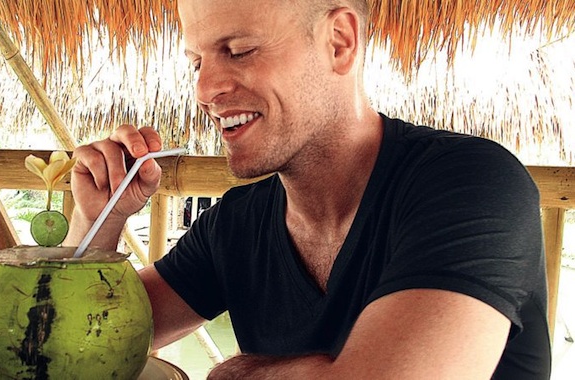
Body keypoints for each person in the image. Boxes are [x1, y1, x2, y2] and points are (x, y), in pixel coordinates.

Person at [65, 0, 551, 378]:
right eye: (196, 63)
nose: (204, 89)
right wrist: (98, 225)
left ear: (339, 42)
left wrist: (233, 375)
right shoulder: (235, 225)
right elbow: (82, 345)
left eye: (239, 51)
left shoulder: (471, 182)